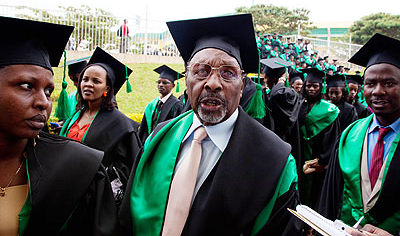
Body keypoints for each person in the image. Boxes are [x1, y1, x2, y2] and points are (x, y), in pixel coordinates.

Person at [120, 14, 302, 235]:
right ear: (187, 80)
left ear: (242, 85)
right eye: (201, 71)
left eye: (227, 73)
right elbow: (127, 218)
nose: (213, 83)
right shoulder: (160, 137)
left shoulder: (275, 161)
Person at [0, 16, 118, 234]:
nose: (44, 102)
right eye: (27, 86)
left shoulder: (79, 170)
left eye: (48, 91)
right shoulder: (76, 115)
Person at [319, 33, 400, 235]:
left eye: (389, 83)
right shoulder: (350, 134)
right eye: (371, 84)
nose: (378, 91)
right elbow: (331, 196)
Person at [60, 47, 141, 206]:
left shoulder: (120, 124)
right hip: (66, 189)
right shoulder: (76, 116)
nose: (88, 84)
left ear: (107, 88)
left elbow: (130, 170)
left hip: (95, 200)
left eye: (96, 81)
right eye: (85, 79)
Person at [298, 68, 340, 210]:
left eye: (315, 86)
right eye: (308, 85)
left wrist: (323, 160)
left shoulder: (329, 110)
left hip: (316, 159)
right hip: (300, 153)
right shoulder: (299, 105)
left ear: (320, 87)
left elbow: (331, 137)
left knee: (316, 192)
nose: (311, 89)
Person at [261, 58, 303, 177]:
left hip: (283, 143)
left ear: (274, 78)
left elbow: (278, 94)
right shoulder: (265, 93)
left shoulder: (289, 94)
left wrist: (281, 80)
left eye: (266, 77)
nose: (264, 80)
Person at [138, 65, 184, 143]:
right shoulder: (152, 105)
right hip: (148, 143)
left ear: (173, 86)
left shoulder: (177, 105)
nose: (161, 85)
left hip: (165, 145)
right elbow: (144, 129)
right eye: (159, 82)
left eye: (165, 82)